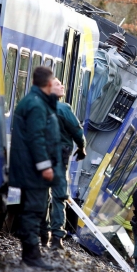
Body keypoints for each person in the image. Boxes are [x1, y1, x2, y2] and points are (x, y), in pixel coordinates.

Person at [8, 66, 62, 270]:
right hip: (33, 170)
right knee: (34, 210)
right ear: (48, 84)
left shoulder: (33, 101)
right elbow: (36, 138)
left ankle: (31, 254)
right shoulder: (37, 105)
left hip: (29, 168)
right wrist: (45, 166)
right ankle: (31, 255)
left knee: (32, 210)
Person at [40, 78, 86, 250]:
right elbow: (77, 131)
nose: (63, 86)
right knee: (59, 195)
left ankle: (43, 233)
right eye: (59, 85)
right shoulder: (63, 108)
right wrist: (82, 148)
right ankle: (57, 237)